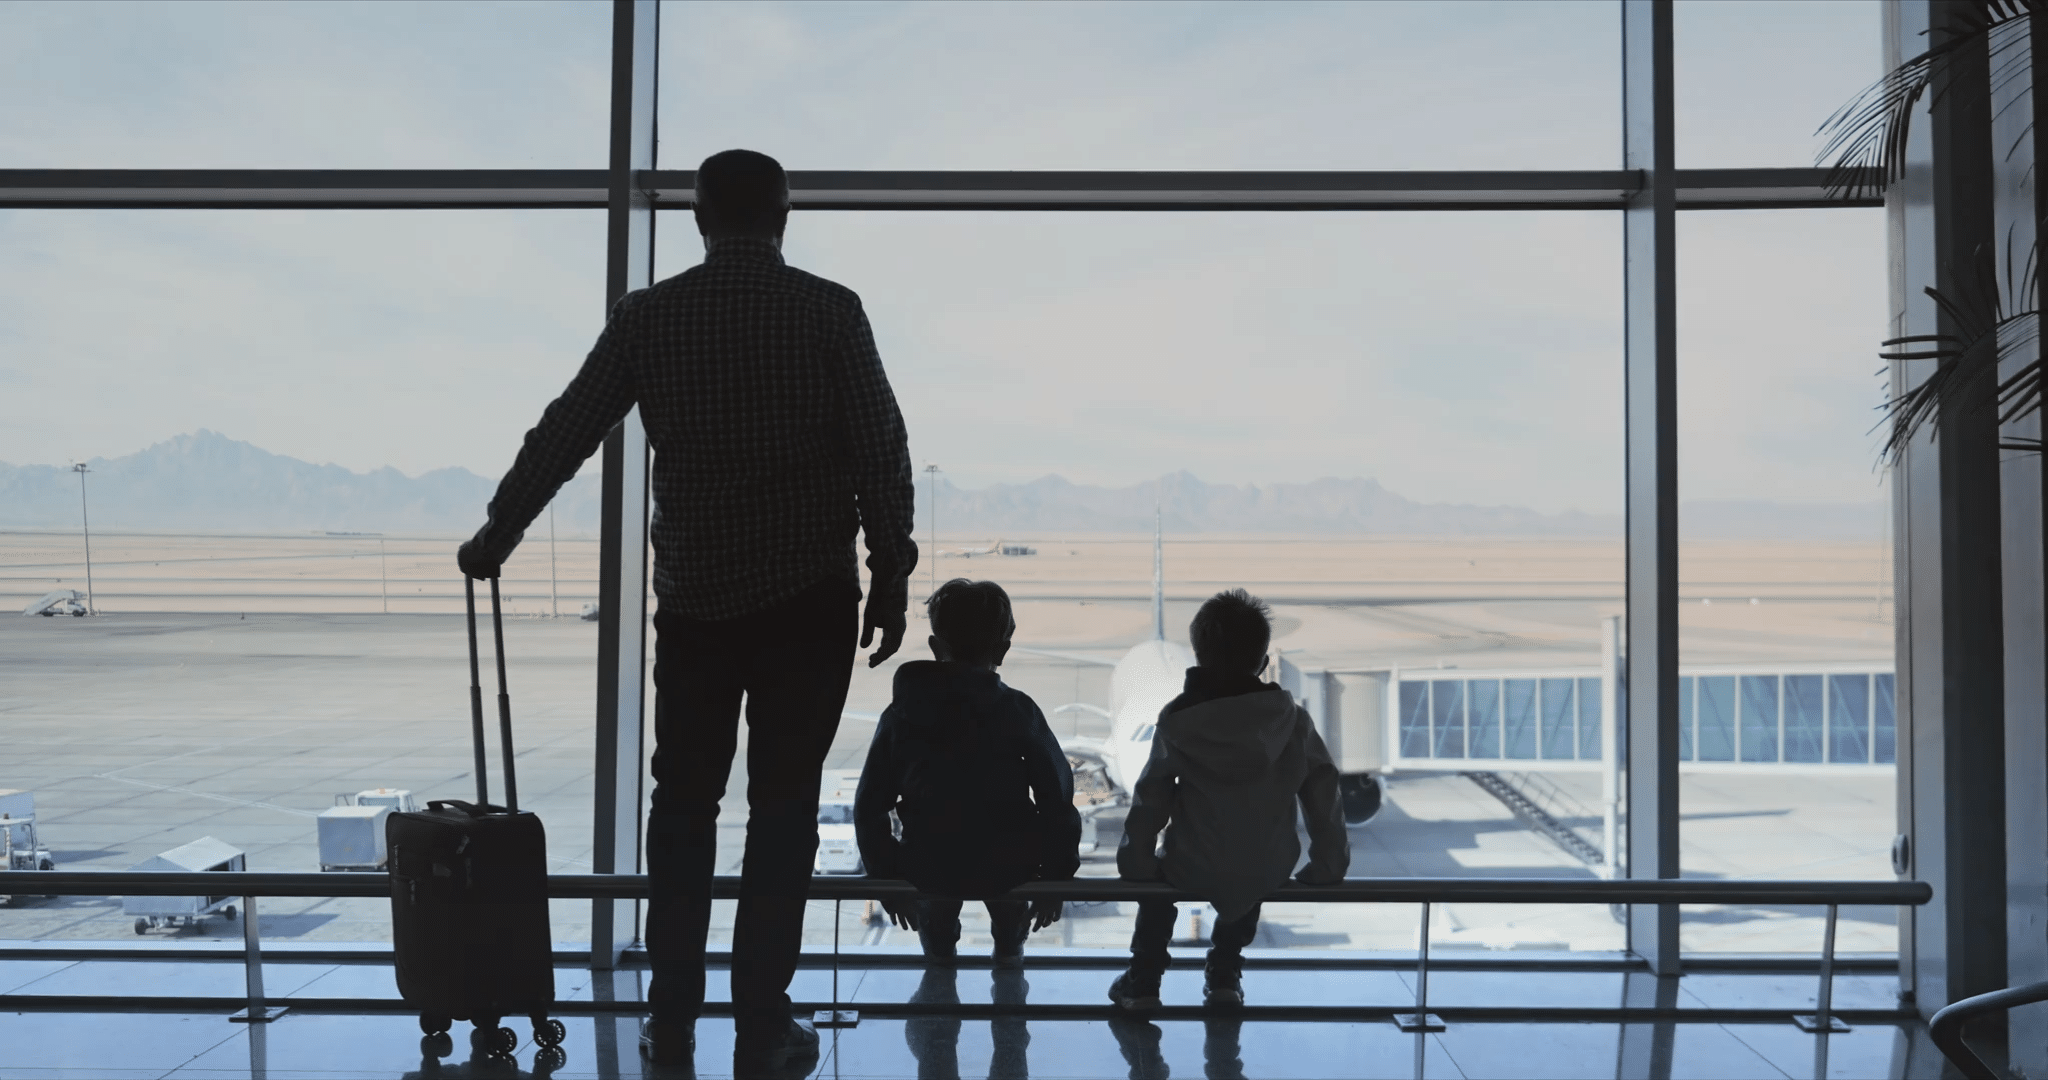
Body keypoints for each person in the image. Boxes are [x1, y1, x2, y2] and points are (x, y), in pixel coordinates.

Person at [454, 148, 917, 1071]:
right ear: (783, 217)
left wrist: (498, 533)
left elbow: (567, 429)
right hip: (808, 603)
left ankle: (671, 1007)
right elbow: (881, 448)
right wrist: (892, 570)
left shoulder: (651, 317)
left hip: (699, 608)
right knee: (782, 812)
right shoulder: (830, 310)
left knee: (683, 806)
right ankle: (761, 1010)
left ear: (700, 219)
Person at [1109, 588, 1349, 1012]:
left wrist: (1136, 860)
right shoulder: (1291, 720)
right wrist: (1329, 863)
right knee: (1250, 872)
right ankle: (1224, 974)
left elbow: (1152, 798)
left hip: (1193, 859)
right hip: (1267, 861)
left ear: (1198, 658)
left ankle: (1144, 981)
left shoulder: (1178, 722)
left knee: (1159, 890)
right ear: (1261, 661)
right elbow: (1323, 792)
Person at [853, 578, 1080, 968]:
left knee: (937, 953)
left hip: (928, 864)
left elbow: (869, 805)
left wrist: (887, 878)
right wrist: (1056, 878)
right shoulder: (1018, 712)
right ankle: (1009, 990)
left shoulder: (903, 715)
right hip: (1008, 864)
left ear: (935, 647)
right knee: (1010, 948)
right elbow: (1056, 797)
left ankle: (938, 1008)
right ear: (1004, 650)